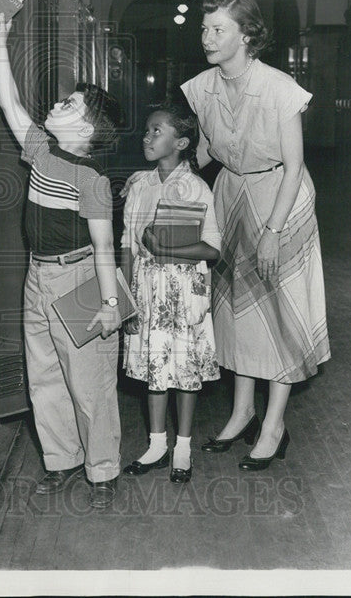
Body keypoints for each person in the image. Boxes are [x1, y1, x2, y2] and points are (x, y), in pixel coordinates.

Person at [180, 0, 330, 471]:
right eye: (204, 29)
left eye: (218, 30)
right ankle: (243, 411)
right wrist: (164, 177)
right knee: (236, 312)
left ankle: (274, 425)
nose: (207, 38)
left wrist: (272, 230)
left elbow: (294, 165)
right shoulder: (201, 87)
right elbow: (204, 151)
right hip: (231, 195)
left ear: (247, 35)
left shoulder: (280, 88)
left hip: (279, 199)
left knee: (279, 312)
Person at [0, 13, 125, 509]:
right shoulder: (42, 151)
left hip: (80, 276)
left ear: (87, 128)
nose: (54, 103)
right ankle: (62, 460)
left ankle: (103, 468)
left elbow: (106, 245)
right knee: (44, 374)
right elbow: (9, 101)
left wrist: (110, 303)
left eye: (68, 104)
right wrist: (0, 45)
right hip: (39, 275)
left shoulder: (90, 180)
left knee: (89, 381)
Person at [120, 102, 221, 484]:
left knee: (184, 370)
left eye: (156, 131)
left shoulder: (195, 187)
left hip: (184, 291)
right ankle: (156, 444)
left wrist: (166, 251)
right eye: (146, 131)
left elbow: (212, 249)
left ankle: (183, 447)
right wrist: (126, 300)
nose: (147, 137)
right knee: (154, 371)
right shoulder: (140, 185)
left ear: (180, 142)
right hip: (146, 289)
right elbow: (128, 245)